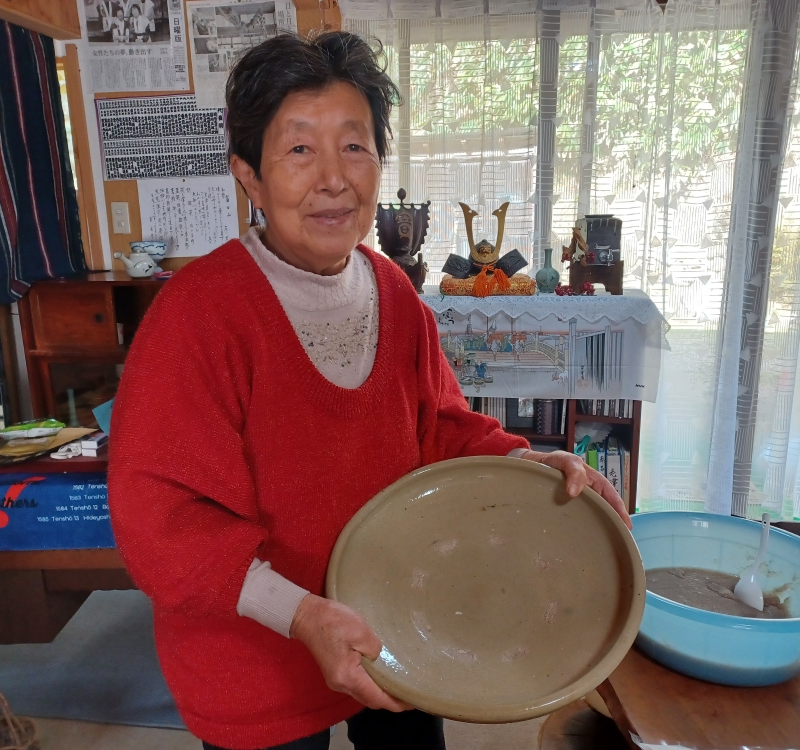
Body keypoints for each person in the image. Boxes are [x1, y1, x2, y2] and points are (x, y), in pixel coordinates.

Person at [107, 31, 630, 750]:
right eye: (299, 149)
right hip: (255, 656)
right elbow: (160, 518)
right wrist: (302, 614)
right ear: (249, 177)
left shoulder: (393, 291)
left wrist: (526, 462)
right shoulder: (197, 315)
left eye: (354, 146)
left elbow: (440, 426)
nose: (334, 179)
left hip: (401, 619)